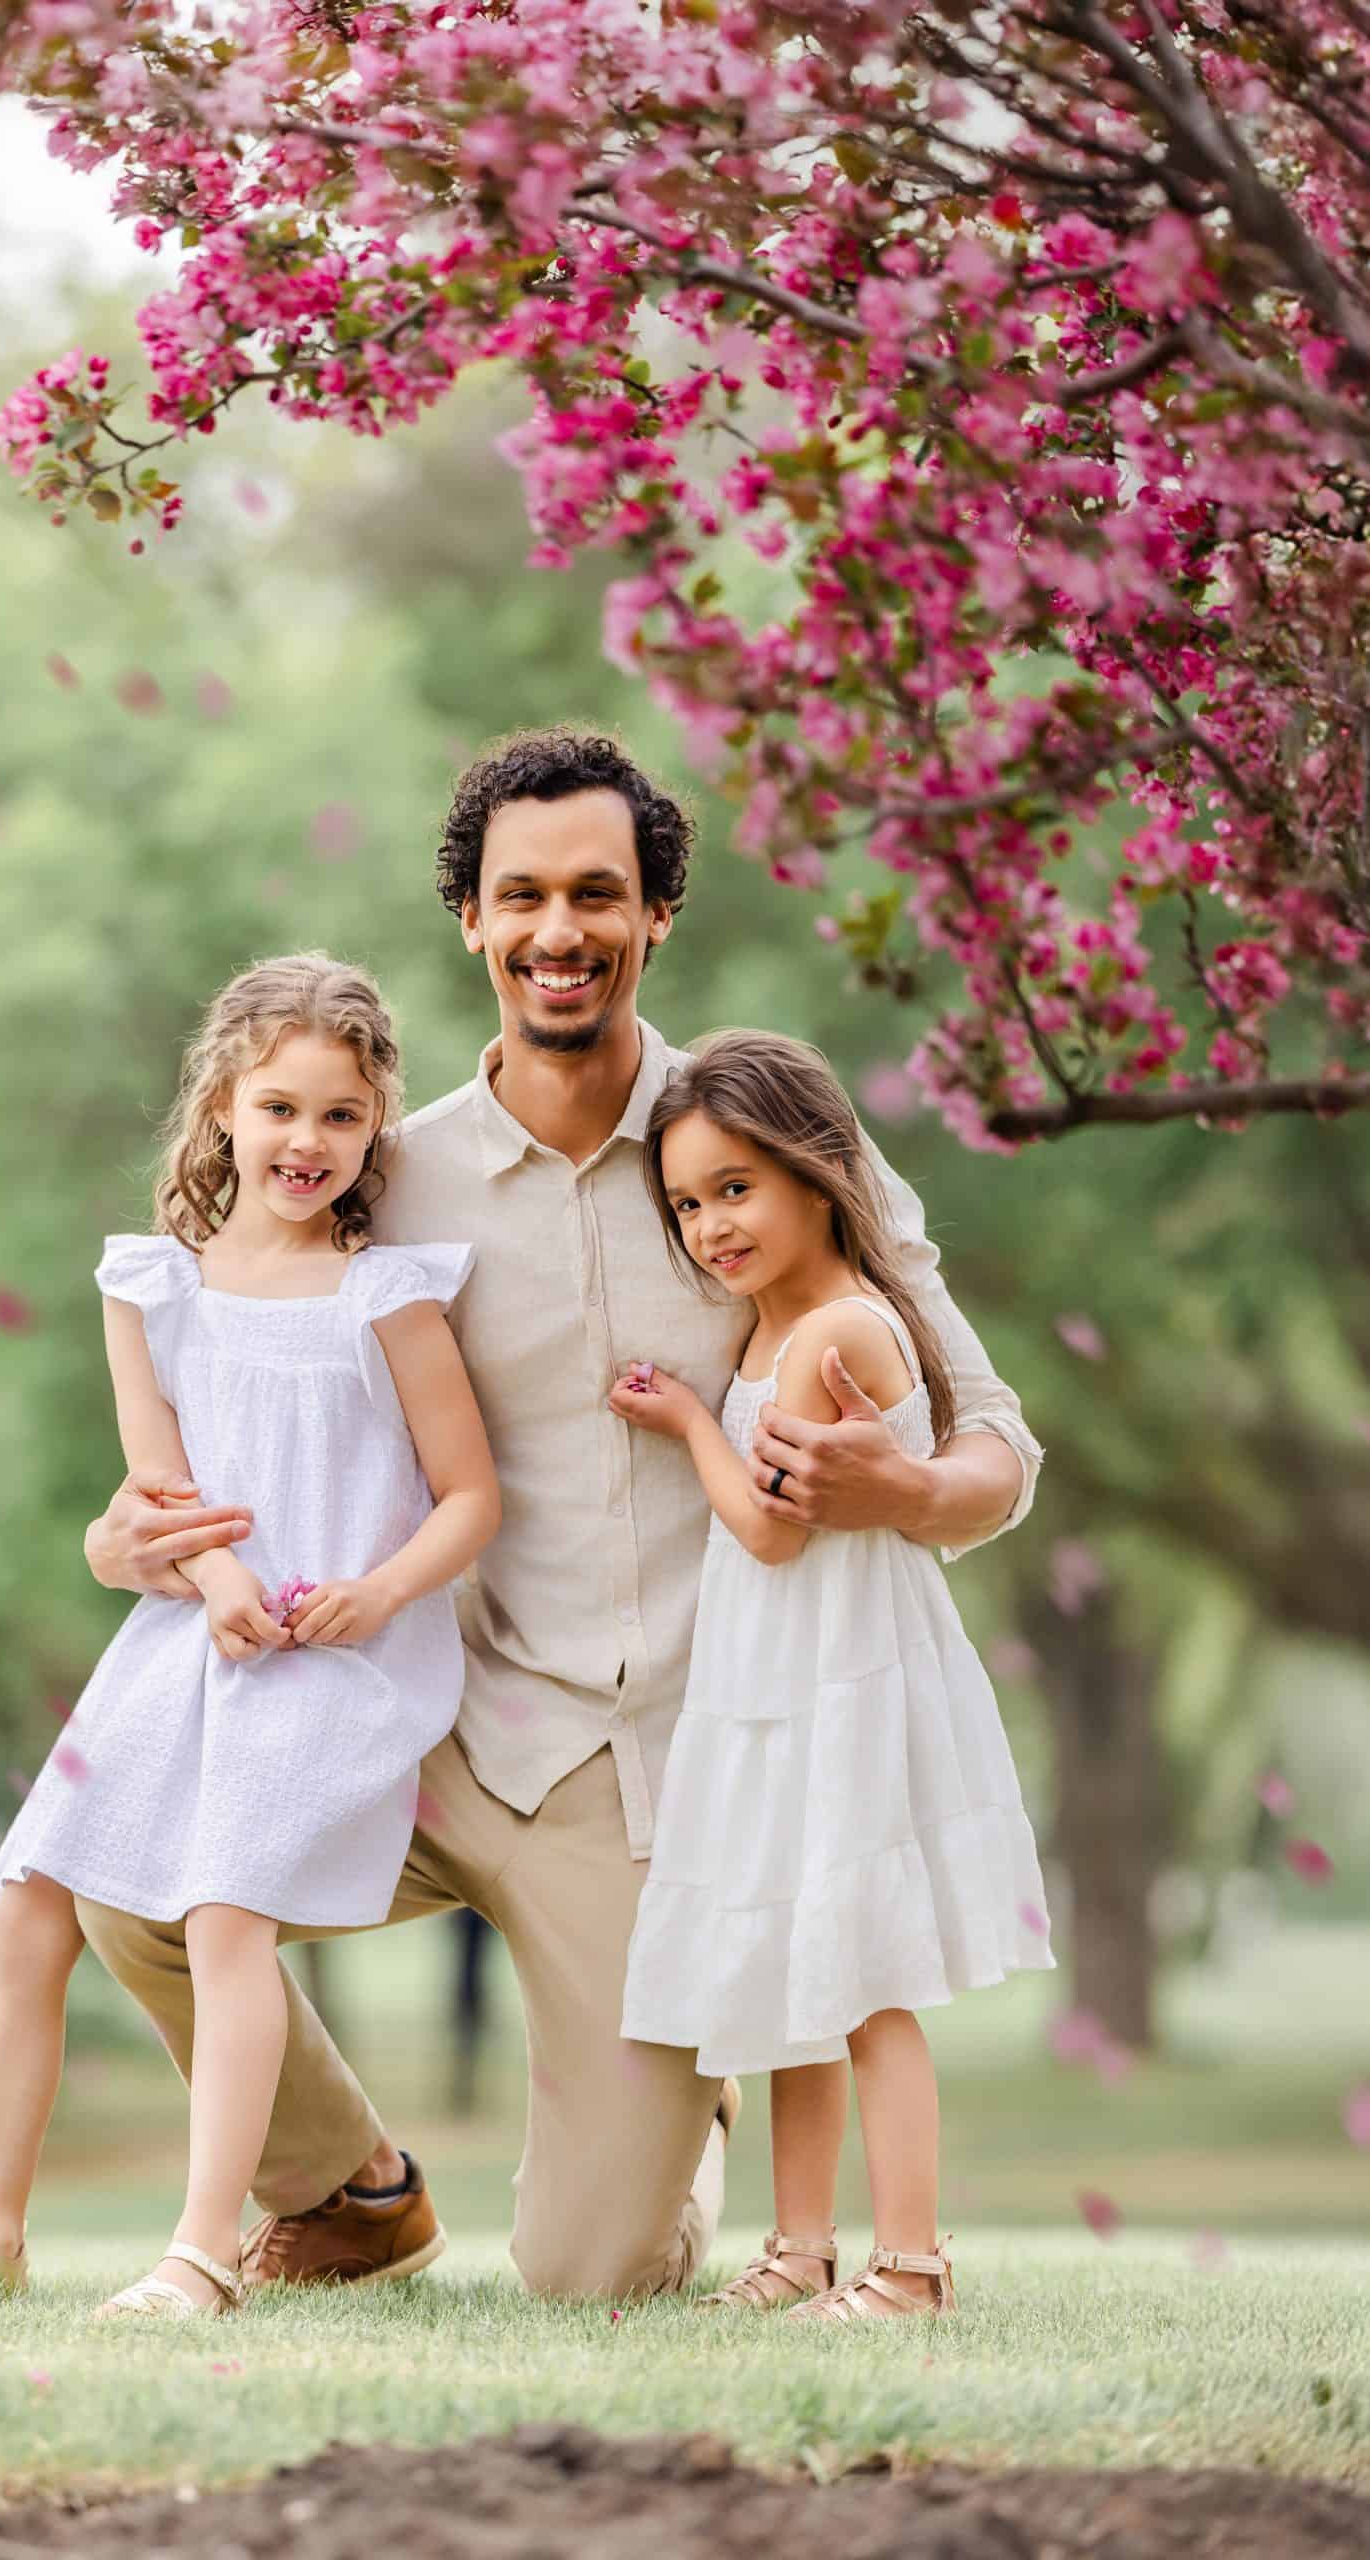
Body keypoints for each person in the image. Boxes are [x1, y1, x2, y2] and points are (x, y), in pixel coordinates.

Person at [77, 728, 1043, 2302]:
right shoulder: (389, 1176)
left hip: (667, 1764)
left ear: (657, 911)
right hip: (427, 1722)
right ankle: (345, 2190)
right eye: (520, 895)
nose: (558, 932)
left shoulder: (769, 1148)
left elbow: (993, 1437)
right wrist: (129, 1541)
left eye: (597, 893)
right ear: (469, 917)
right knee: (130, 1876)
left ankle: (680, 2106)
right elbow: (222, 1371)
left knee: (590, 2279)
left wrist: (915, 1488)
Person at [0, 953, 498, 2320]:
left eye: (343, 1117)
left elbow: (471, 1498)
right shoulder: (152, 1283)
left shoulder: (386, 1292)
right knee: (33, 1904)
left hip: (341, 1649)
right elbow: (156, 1473)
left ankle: (202, 2249)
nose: (309, 1142)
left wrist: (378, 1591)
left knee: (226, 1908)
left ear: (375, 1128)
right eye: (282, 1108)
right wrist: (217, 1577)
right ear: (224, 1104)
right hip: (193, 1635)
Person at [612, 1032, 1053, 2321]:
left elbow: (769, 1528)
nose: (709, 1228)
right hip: (779, 1674)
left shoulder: (830, 1335)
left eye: (736, 1190)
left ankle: (909, 2264)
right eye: (687, 1204)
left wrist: (690, 1420)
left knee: (859, 1980)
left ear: (817, 1173)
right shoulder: (783, 1324)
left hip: (834, 1668)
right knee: (797, 1971)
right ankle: (798, 2247)